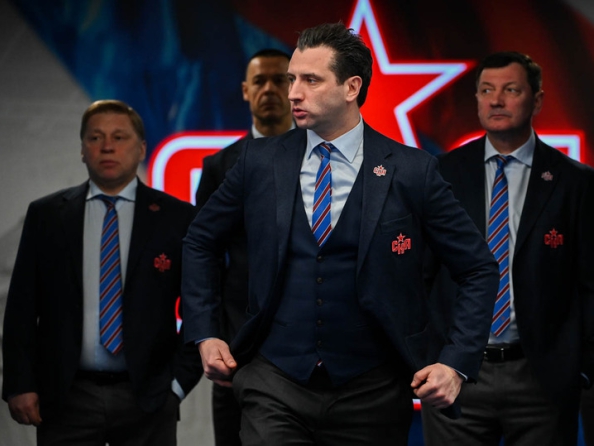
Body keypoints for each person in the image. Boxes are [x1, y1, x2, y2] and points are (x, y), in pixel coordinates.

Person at [181, 22, 499, 445]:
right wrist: (205, 333)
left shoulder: (412, 170)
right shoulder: (258, 161)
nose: (293, 93)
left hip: (373, 392)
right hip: (273, 381)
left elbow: (478, 268)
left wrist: (455, 362)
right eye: (293, 79)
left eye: (311, 80)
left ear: (352, 87)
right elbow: (200, 240)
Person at [2, 100, 202, 446]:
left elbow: (199, 308)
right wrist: (20, 384)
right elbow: (21, 307)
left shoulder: (177, 217)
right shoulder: (46, 215)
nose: (107, 146)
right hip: (65, 397)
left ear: (141, 149)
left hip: (149, 397)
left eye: (119, 137)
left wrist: (178, 385)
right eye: (95, 138)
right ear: (82, 149)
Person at [421, 51, 594, 445]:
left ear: (537, 100)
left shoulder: (576, 182)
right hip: (455, 374)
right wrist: (430, 357)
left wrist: (581, 368)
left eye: (510, 90)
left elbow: (589, 284)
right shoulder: (440, 174)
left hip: (542, 380)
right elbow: (419, 275)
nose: (496, 100)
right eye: (486, 90)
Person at [195, 48, 293, 446]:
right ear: (245, 90)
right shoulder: (220, 167)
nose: (269, 89)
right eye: (259, 81)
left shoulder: (328, 158)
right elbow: (203, 256)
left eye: (280, 79)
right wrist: (210, 335)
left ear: (296, 88)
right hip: (239, 348)